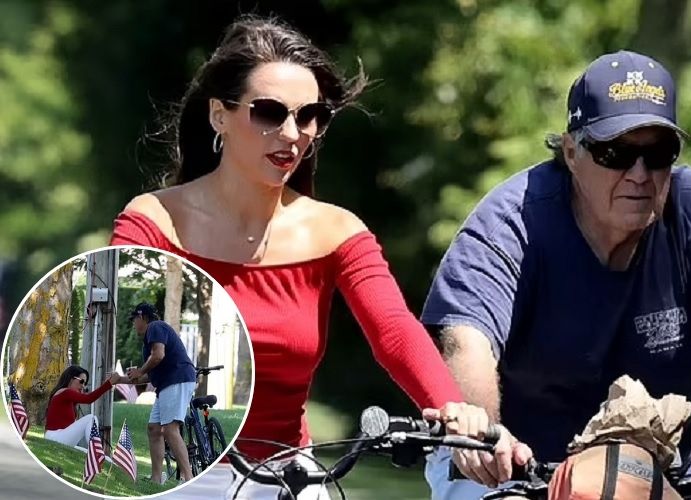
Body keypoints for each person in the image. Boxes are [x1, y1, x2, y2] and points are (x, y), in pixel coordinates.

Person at [110, 15, 497, 499]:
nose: (293, 134)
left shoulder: (336, 231)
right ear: (219, 115)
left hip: (287, 479)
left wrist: (451, 406)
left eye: (310, 115)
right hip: (177, 473)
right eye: (269, 112)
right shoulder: (154, 221)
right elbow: (120, 337)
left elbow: (394, 331)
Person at [420, 50, 691, 500]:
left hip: (664, 476)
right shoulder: (509, 222)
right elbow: (465, 341)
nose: (639, 173)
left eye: (657, 153)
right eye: (615, 153)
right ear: (571, 152)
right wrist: (484, 435)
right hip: (519, 468)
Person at [124, 302, 197, 484]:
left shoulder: (155, 327)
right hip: (166, 385)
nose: (134, 324)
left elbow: (158, 355)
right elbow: (149, 376)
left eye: (135, 320)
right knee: (154, 429)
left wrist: (139, 370)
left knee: (170, 430)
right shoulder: (149, 339)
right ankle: (157, 478)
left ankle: (188, 478)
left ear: (143, 317)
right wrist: (122, 379)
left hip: (177, 379)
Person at [44, 365, 122, 448]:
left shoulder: (68, 397)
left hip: (59, 437)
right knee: (91, 418)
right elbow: (89, 399)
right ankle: (95, 450)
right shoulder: (65, 392)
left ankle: (97, 453)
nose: (83, 386)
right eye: (81, 382)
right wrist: (109, 383)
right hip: (55, 437)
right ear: (71, 378)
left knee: (102, 458)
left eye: (84, 383)